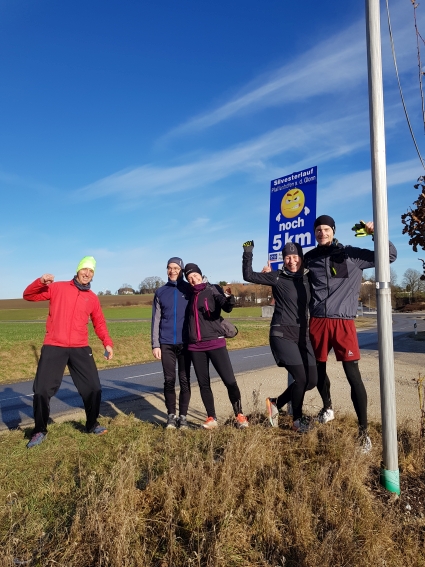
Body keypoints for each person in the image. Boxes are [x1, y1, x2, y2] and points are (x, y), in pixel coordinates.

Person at [304, 215, 397, 451]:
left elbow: (389, 256)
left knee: (352, 374)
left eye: (326, 229)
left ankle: (363, 432)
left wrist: (376, 234)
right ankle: (327, 408)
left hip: (343, 322)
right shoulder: (310, 258)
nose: (322, 233)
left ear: (333, 231)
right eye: (318, 230)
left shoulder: (351, 254)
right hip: (317, 321)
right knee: (318, 370)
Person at [23, 256, 114, 448]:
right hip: (54, 345)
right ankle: (40, 430)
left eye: (91, 271)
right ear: (78, 269)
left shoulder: (92, 298)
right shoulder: (58, 288)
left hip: (80, 347)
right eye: (85, 269)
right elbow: (28, 295)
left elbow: (99, 322)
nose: (87, 273)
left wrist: (107, 343)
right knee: (41, 390)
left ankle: (91, 424)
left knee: (94, 388)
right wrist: (40, 282)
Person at [242, 240, 317, 432]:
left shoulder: (308, 278)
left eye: (295, 256)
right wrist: (248, 250)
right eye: (288, 257)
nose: (292, 261)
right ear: (283, 259)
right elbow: (248, 275)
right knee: (300, 379)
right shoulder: (277, 276)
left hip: (302, 333)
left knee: (311, 380)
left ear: (301, 258)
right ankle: (297, 421)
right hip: (282, 332)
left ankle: (276, 402)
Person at [184, 263, 249, 430]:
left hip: (215, 342)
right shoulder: (189, 295)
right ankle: (211, 418)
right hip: (195, 346)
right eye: (189, 277)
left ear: (200, 274)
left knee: (229, 381)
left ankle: (240, 415)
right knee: (203, 383)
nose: (193, 279)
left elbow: (226, 307)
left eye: (195, 275)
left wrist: (230, 300)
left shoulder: (212, 289)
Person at [151, 257, 192, 429]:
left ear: (181, 270)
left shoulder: (190, 289)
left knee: (184, 380)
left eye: (176, 268)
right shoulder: (160, 292)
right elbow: (156, 319)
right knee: (169, 380)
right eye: (169, 267)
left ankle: (183, 417)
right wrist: (155, 344)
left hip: (186, 343)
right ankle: (171, 416)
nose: (172, 271)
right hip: (166, 343)